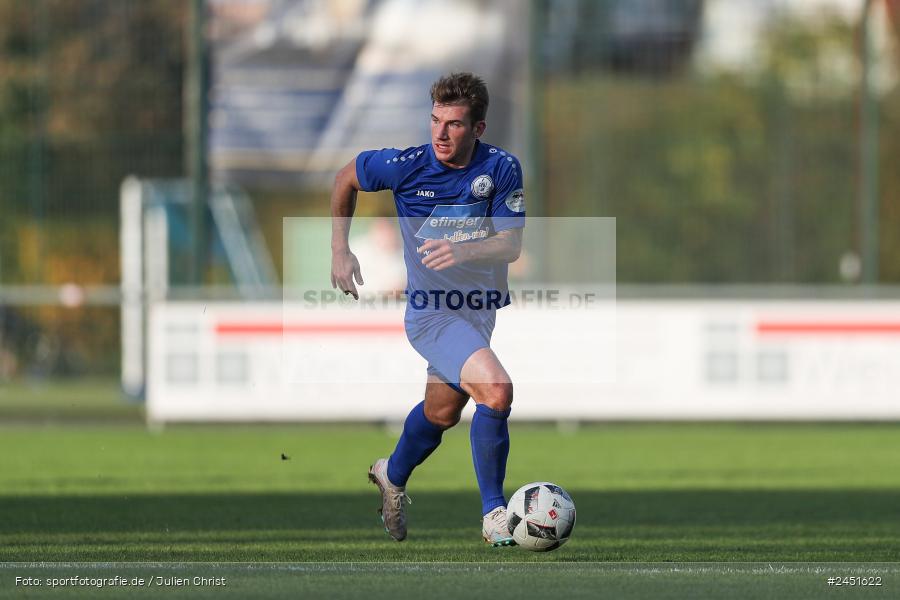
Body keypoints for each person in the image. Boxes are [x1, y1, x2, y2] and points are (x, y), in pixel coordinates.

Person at [330, 72, 525, 546]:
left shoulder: (501, 169)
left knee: (441, 414)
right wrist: (340, 249)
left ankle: (391, 474)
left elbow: (511, 243)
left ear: (477, 129)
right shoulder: (406, 165)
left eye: (454, 124)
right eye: (435, 120)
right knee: (496, 392)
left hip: (479, 311)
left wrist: (464, 248)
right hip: (431, 313)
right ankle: (494, 514)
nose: (440, 133)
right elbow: (346, 177)